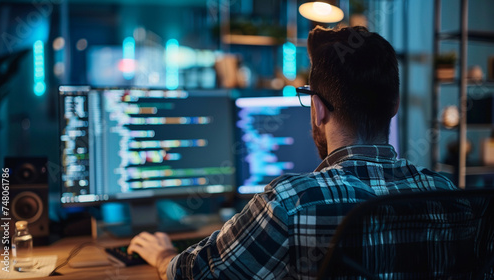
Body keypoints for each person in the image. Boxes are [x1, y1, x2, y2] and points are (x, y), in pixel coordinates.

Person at [127, 26, 457, 280]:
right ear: (395, 106)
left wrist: (163, 255)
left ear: (318, 110)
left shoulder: (292, 202)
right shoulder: (449, 197)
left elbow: (200, 274)